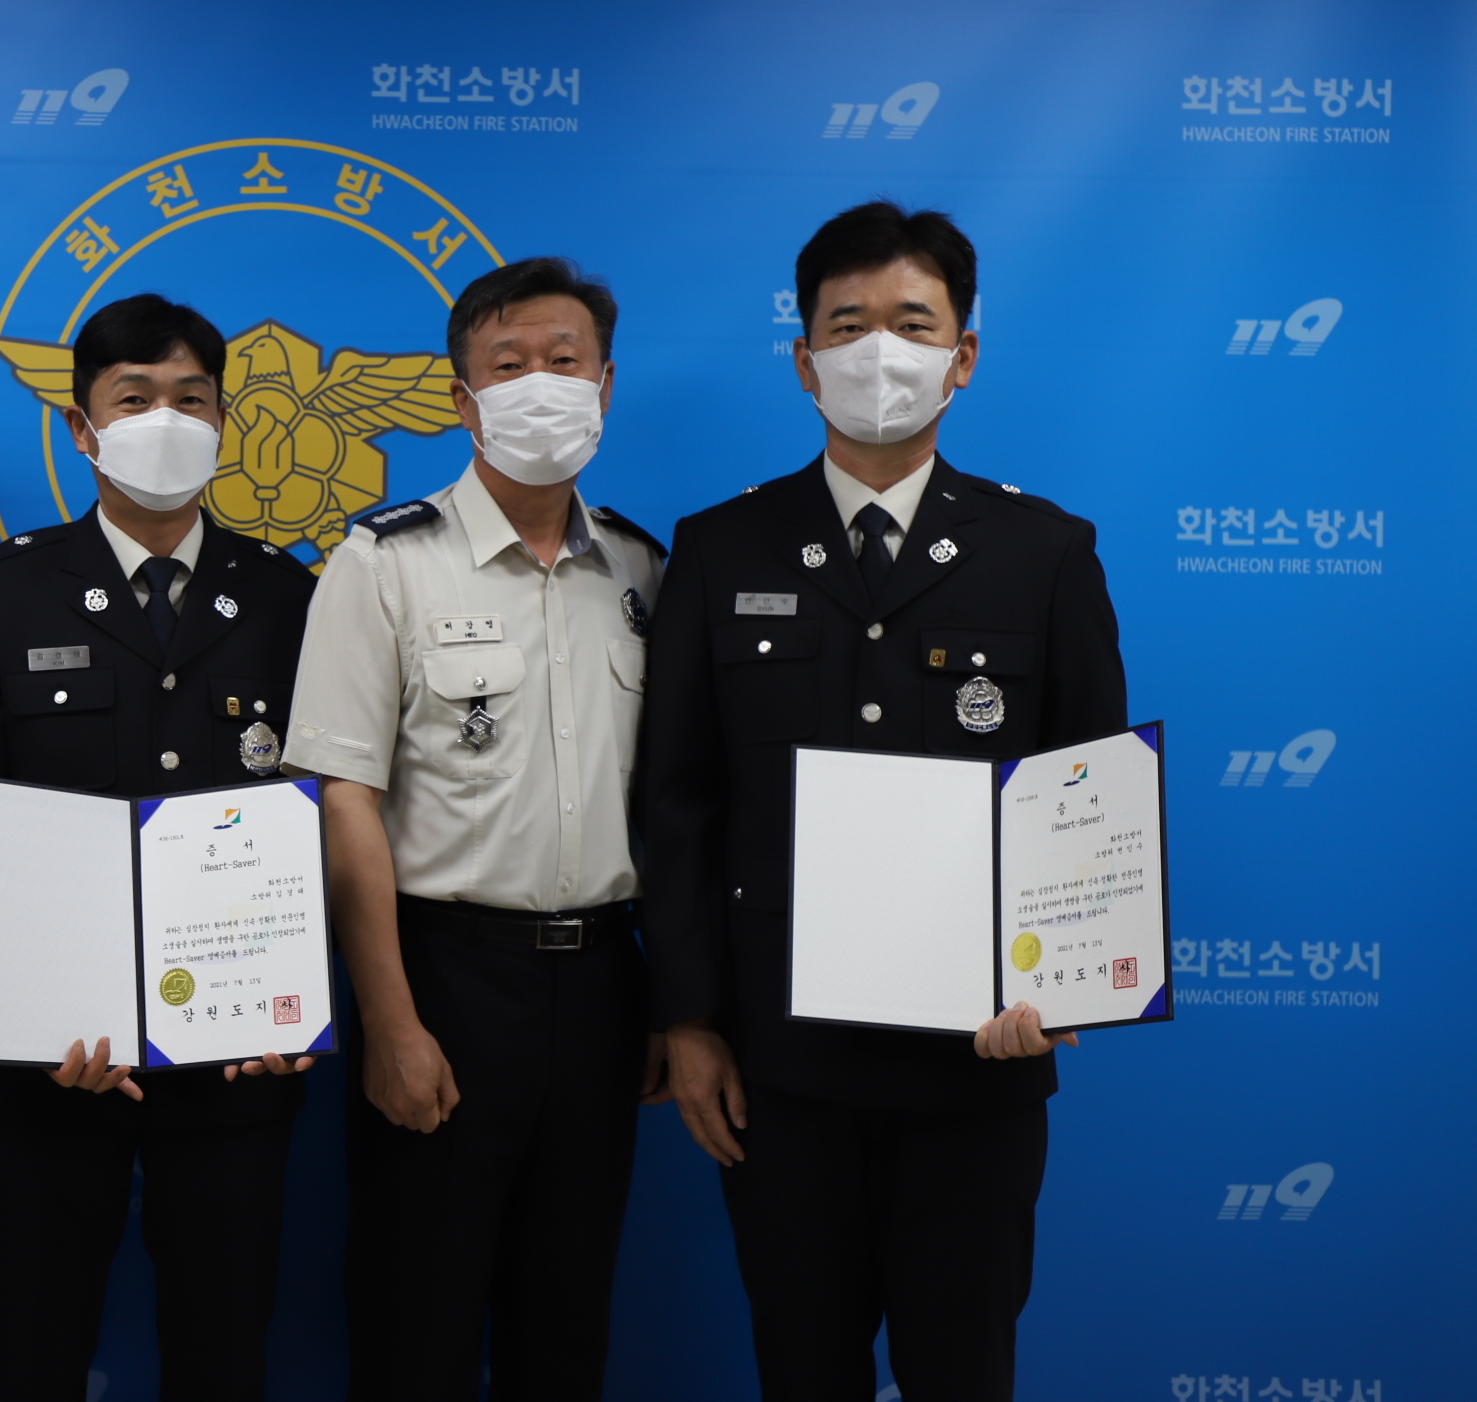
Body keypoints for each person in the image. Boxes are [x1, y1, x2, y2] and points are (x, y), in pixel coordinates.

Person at [640, 200, 1128, 1401]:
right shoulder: (721, 546)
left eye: (913, 324)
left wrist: (1061, 984)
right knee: (802, 1368)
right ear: (803, 358)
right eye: (846, 325)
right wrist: (690, 1020)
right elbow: (679, 800)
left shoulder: (1045, 552)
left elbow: (1087, 790)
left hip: (977, 1065)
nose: (879, 353)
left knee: (964, 1370)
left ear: (964, 356)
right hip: (779, 1069)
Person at [0, 293, 318, 1402]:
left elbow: (331, 818)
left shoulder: (290, 597)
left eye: (191, 398)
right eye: (134, 400)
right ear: (82, 429)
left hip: (236, 1062)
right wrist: (33, 1014)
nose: (165, 421)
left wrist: (291, 1003)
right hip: (54, 1068)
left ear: (225, 421)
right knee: (34, 1356)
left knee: (224, 1356)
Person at [280, 257, 665, 1401]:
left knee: (567, 1325)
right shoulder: (383, 563)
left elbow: (676, 804)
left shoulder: (642, 571)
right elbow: (344, 800)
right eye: (509, 364)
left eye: (565, 361)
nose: (540, 384)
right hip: (445, 980)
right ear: (462, 396)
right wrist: (390, 1021)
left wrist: (671, 996)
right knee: (420, 1321)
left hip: (604, 984)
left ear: (605, 385)